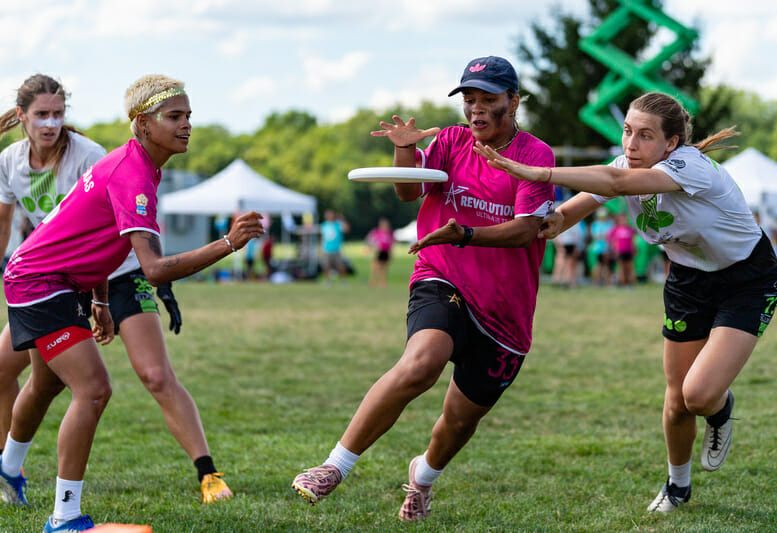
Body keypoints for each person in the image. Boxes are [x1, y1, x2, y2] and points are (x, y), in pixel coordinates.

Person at [473, 91, 777, 513]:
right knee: (676, 399)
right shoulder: (626, 164)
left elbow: (616, 185)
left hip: (746, 278)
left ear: (671, 143)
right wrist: (555, 221)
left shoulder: (690, 167)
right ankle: (677, 487)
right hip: (688, 280)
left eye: (645, 136)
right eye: (627, 132)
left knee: (699, 395)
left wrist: (535, 171)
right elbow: (576, 208)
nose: (631, 145)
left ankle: (721, 407)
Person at [291, 56, 555, 521]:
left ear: (514, 102)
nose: (476, 110)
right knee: (421, 363)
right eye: (470, 100)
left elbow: (524, 230)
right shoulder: (451, 141)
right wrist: (403, 151)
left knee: (459, 419)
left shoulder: (535, 155)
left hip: (505, 310)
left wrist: (467, 233)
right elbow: (408, 193)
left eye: (488, 100)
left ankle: (422, 478)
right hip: (441, 274)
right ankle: (335, 465)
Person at [0, 74, 264, 532]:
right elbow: (155, 268)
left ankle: (7, 468)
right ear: (142, 124)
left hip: (60, 281)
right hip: (39, 281)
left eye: (188, 117)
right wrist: (228, 243)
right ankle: (64, 519)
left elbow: (97, 241)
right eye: (174, 117)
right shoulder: (132, 173)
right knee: (94, 389)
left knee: (45, 385)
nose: (186, 126)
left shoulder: (136, 165)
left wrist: (101, 299)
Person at [320, 209, 349, 284]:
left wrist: (342, 220)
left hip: (337, 249)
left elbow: (346, 229)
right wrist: (321, 248)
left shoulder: (338, 224)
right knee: (326, 266)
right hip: (326, 249)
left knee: (340, 266)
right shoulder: (324, 225)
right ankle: (328, 281)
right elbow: (322, 237)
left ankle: (343, 281)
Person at [608, 213, 637, 286]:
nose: (624, 221)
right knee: (621, 267)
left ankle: (630, 282)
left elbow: (633, 240)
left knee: (629, 267)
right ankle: (622, 282)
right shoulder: (616, 229)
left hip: (629, 251)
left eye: (625, 219)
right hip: (620, 251)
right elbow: (612, 240)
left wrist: (634, 248)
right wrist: (614, 250)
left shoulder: (630, 229)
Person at [366, 217, 394, 288]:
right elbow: (370, 240)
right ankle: (373, 282)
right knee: (376, 268)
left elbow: (391, 243)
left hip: (386, 252)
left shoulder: (389, 233)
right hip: (378, 252)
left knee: (384, 269)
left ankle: (383, 283)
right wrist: (372, 248)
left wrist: (391, 253)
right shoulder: (376, 232)